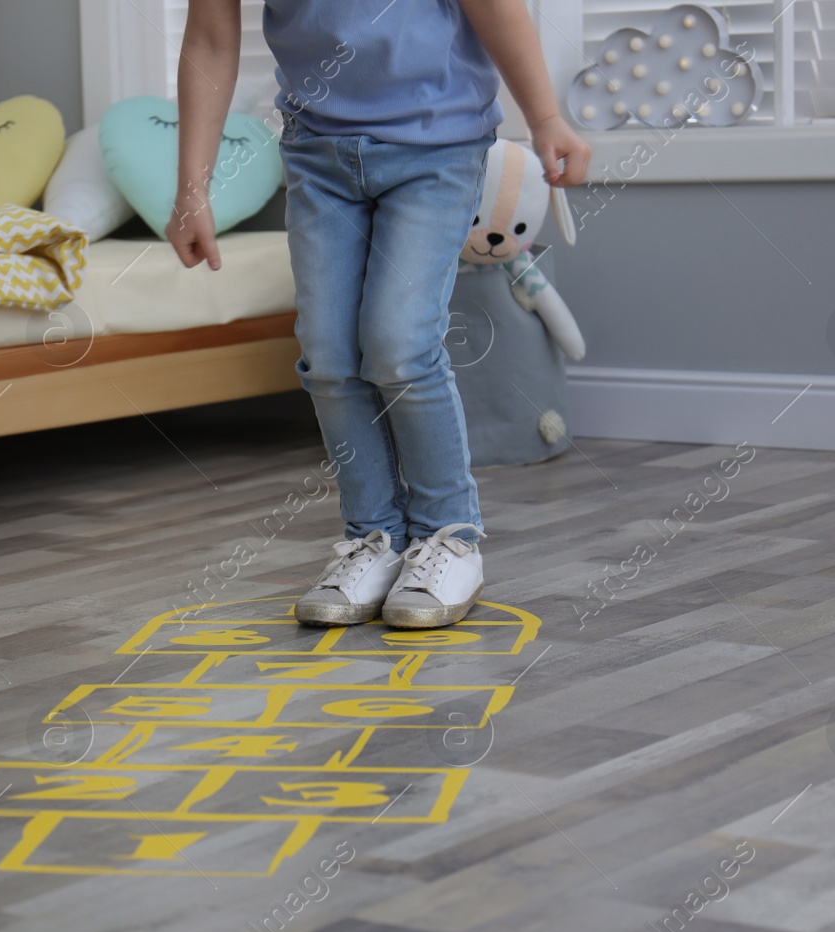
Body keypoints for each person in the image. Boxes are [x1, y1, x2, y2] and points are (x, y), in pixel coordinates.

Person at [170, 0, 589, 629]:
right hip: (319, 154)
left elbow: (494, 7)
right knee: (329, 354)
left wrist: (547, 116)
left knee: (398, 343)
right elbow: (209, 38)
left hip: (437, 147)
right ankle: (374, 540)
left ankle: (450, 537)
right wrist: (191, 187)